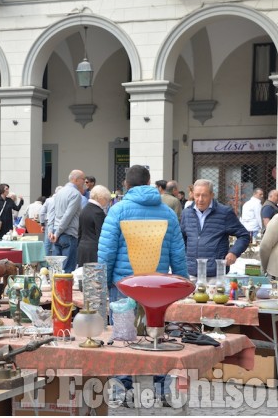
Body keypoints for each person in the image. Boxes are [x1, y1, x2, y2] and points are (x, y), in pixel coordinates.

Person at [98, 165, 188, 407]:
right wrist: (182, 282)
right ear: (149, 183)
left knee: (123, 337)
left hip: (124, 285)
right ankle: (162, 389)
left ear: (126, 185)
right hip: (157, 287)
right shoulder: (168, 212)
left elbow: (106, 252)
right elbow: (178, 252)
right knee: (156, 335)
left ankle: (121, 389)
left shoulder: (117, 211)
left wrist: (103, 285)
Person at [180, 179, 250, 277]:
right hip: (191, 272)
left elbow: (244, 236)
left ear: (212, 195)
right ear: (192, 195)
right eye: (197, 195)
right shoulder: (186, 213)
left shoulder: (225, 213)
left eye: (204, 195)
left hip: (215, 274)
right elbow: (182, 239)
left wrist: (233, 252)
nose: (200, 199)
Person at [51, 170, 85, 273]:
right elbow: (68, 216)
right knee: (67, 271)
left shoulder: (59, 192)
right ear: (76, 180)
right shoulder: (75, 194)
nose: (84, 182)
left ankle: (55, 289)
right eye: (83, 179)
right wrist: (57, 232)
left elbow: (53, 213)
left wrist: (53, 231)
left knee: (56, 269)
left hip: (57, 233)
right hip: (68, 233)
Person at [77, 185, 110, 267]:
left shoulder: (84, 210)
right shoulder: (98, 212)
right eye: (106, 199)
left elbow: (79, 232)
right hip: (94, 250)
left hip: (82, 248)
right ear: (100, 198)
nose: (107, 202)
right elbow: (101, 234)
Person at [40, 187, 62, 256]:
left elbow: (41, 213)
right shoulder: (62, 200)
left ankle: (44, 263)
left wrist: (42, 223)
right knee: (56, 244)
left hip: (49, 223)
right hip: (59, 224)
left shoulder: (48, 200)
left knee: (47, 244)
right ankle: (55, 263)